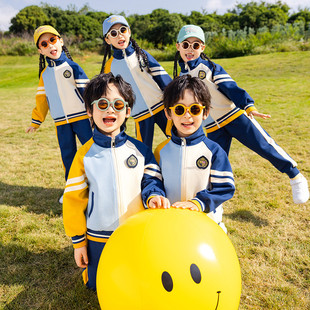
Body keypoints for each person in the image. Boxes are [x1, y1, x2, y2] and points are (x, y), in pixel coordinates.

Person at [173, 24, 309, 204]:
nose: (190, 49)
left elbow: (232, 88)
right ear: (178, 47)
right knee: (213, 167)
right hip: (213, 127)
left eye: (196, 45)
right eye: (186, 44)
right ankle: (213, 208)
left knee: (265, 146)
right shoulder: (180, 77)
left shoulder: (210, 68)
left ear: (202, 48)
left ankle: (296, 176)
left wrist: (248, 106)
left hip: (234, 116)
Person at [62, 72, 169, 291]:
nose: (110, 110)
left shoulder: (140, 151)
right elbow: (73, 201)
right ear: (90, 111)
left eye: (118, 104)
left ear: (127, 111)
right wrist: (78, 243)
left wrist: (154, 195)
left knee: (138, 282)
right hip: (98, 237)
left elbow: (152, 181)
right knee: (98, 285)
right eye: (102, 104)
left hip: (135, 234)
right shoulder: (84, 155)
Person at [154, 75, 235, 233]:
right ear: (168, 114)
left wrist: (198, 203)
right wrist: (156, 196)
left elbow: (224, 188)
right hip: (170, 226)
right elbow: (153, 183)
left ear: (205, 112)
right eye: (179, 109)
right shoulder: (161, 151)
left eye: (195, 109)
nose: (187, 115)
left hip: (206, 226)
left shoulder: (214, 151)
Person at [26, 25, 93, 202]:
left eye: (53, 40)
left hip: (82, 119)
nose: (50, 46)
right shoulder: (44, 75)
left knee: (91, 151)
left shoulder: (72, 67)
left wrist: (94, 114)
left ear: (61, 41)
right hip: (61, 124)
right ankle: (72, 189)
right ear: (40, 50)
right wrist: (36, 121)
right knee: (68, 156)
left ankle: (97, 184)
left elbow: (87, 91)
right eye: (44, 43)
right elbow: (42, 100)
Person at [100, 15, 172, 149]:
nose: (119, 35)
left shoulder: (142, 54)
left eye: (123, 30)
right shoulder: (110, 66)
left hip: (161, 106)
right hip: (140, 114)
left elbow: (162, 77)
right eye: (113, 33)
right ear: (107, 39)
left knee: (176, 137)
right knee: (143, 148)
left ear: (129, 32)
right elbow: (111, 93)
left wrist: (175, 97)